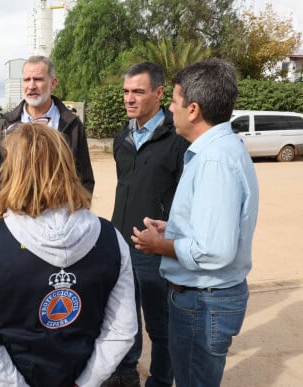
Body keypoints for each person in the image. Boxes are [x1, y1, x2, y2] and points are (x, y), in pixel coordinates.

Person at [0, 122, 137, 387]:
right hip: (80, 375)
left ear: (12, 171)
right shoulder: (111, 238)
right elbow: (121, 330)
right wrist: (86, 381)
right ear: (68, 166)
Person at [131, 59, 259, 387]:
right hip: (204, 298)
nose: (170, 108)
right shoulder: (216, 150)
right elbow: (210, 229)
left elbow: (215, 250)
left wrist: (160, 245)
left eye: (174, 101)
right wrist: (172, 229)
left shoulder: (214, 160)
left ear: (193, 110)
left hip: (204, 301)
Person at [107, 62, 189, 387]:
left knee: (159, 325)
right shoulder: (120, 139)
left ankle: (159, 379)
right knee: (124, 320)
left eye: (138, 92)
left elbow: (185, 198)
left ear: (158, 93)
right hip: (120, 246)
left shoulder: (177, 139)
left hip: (154, 249)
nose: (130, 98)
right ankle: (128, 375)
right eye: (126, 91)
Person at [0, 55, 94, 215]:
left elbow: (84, 179)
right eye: (26, 80)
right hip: (15, 219)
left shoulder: (71, 125)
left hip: (58, 221)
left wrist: (76, 218)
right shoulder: (6, 124)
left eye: (38, 79)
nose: (31, 86)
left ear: (53, 83)